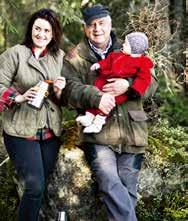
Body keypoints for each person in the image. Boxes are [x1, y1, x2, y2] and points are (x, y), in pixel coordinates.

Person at [60, 4, 158, 221]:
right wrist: (96, 97)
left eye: (102, 23)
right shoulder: (75, 57)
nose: (97, 29)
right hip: (99, 134)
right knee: (109, 183)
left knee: (128, 188)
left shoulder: (130, 47)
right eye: (91, 25)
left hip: (133, 131)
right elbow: (68, 90)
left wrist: (128, 84)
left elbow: (152, 82)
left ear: (110, 24)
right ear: (85, 29)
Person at [0, 8, 66, 221]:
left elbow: (65, 98)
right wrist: (20, 97)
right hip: (20, 131)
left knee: (42, 187)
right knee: (34, 187)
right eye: (37, 29)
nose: (41, 34)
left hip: (50, 131)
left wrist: (60, 89)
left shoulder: (59, 57)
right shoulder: (15, 54)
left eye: (46, 31)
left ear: (53, 34)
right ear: (31, 29)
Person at [76, 32, 154, 133]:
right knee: (97, 93)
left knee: (107, 102)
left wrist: (133, 88)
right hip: (106, 80)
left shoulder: (143, 62)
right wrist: (99, 65)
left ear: (134, 49)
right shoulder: (118, 55)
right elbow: (108, 62)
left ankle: (98, 123)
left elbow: (145, 79)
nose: (123, 45)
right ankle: (89, 116)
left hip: (123, 98)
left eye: (126, 44)